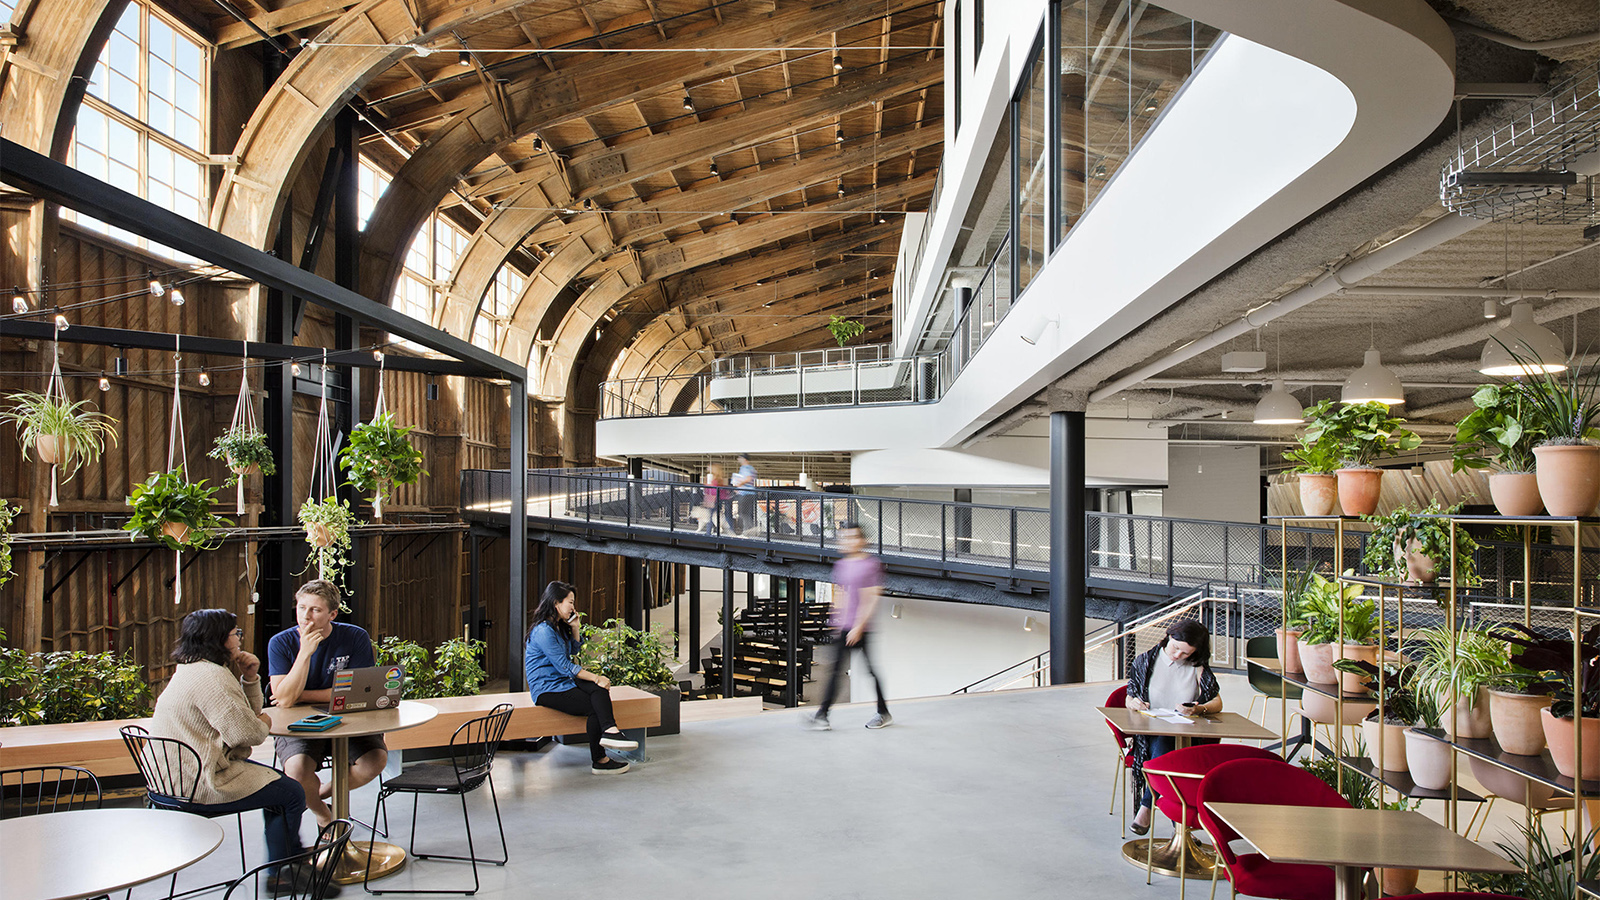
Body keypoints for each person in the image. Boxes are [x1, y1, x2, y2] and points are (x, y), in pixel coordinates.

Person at [150, 609, 327, 897]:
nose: (239, 639)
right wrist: (265, 722)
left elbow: (247, 718)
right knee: (291, 794)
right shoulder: (212, 678)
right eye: (235, 633)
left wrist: (250, 677)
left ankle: (289, 864)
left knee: (279, 786)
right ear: (219, 639)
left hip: (168, 780)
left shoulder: (192, 668)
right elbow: (251, 733)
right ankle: (283, 872)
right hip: (198, 784)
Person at [267, 579, 387, 826]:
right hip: (297, 722)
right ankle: (323, 815)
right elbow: (285, 700)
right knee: (298, 771)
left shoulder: (354, 637)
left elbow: (359, 691)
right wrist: (304, 653)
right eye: (301, 608)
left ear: (332, 613)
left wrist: (300, 694)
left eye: (315, 610)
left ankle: (315, 796)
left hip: (349, 717)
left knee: (375, 761)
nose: (306, 617)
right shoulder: (280, 643)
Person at [524, 580, 638, 774]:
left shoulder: (558, 627)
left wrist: (575, 628)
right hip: (547, 688)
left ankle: (610, 732)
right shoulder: (543, 631)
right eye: (570, 602)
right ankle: (601, 758)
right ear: (556, 603)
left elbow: (573, 650)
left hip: (563, 682)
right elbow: (565, 666)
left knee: (598, 690)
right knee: (596, 699)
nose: (573, 607)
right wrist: (595, 677)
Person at [1124, 618, 1222, 835]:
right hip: (1150, 734)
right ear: (1169, 636)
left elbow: (1217, 702)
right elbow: (1129, 699)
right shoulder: (1146, 661)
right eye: (1176, 648)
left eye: (1185, 653)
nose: (1178, 655)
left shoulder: (1197, 667)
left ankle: (1148, 806)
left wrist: (1198, 709)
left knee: (1168, 747)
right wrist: (1134, 703)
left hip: (1188, 735)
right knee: (1164, 744)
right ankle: (1178, 824)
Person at [806, 522, 892, 730]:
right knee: (835, 671)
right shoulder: (842, 565)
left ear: (862, 541)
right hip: (845, 627)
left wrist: (858, 627)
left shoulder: (871, 564)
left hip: (862, 628)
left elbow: (871, 598)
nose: (847, 541)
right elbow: (841, 594)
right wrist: (837, 621)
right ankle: (822, 715)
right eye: (845, 537)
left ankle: (883, 713)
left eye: (853, 537)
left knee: (870, 671)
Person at [730, 453, 758, 534]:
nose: (739, 459)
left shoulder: (745, 468)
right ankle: (749, 529)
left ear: (745, 459)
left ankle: (749, 529)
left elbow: (748, 479)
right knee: (745, 512)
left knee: (742, 512)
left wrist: (739, 484)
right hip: (749, 493)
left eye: (740, 458)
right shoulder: (751, 468)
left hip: (745, 493)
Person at [701, 463, 732, 535]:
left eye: (709, 467)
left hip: (715, 499)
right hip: (716, 499)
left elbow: (714, 490)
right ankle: (728, 530)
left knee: (711, 516)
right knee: (714, 516)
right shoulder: (714, 478)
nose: (707, 468)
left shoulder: (716, 479)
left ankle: (709, 532)